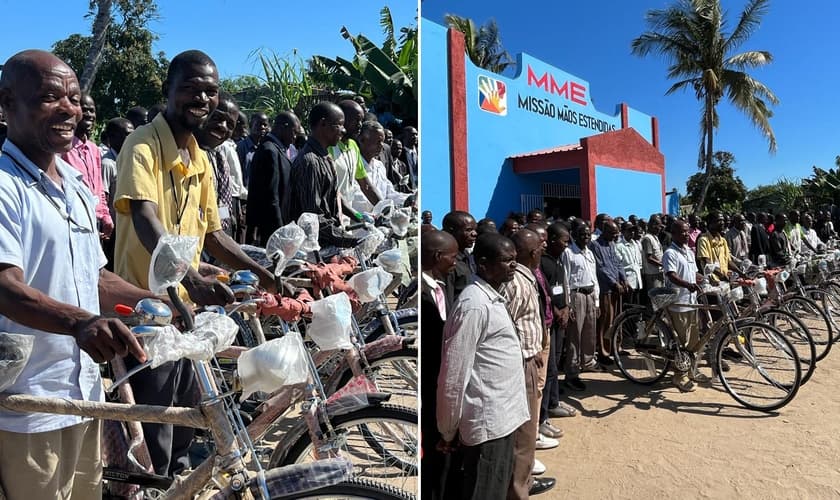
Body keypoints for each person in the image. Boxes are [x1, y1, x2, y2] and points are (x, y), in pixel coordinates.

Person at [0, 48, 157, 500]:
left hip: (83, 392)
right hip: (28, 403)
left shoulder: (75, 187)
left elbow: (98, 278)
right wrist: (79, 322)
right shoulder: (6, 186)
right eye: (50, 97)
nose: (69, 108)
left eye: (74, 96)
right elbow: (5, 286)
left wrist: (158, 300)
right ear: (7, 103)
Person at [113, 50, 276, 476]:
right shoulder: (142, 145)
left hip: (185, 309)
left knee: (189, 419)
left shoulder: (199, 158)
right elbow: (146, 219)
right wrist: (190, 274)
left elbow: (214, 235)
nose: (201, 99)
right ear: (167, 91)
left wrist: (267, 277)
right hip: (144, 311)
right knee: (157, 432)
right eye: (190, 88)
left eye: (210, 91)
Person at [437, 232, 530, 500]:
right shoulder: (474, 306)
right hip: (488, 425)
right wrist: (448, 430)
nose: (513, 265)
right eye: (506, 260)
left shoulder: (493, 297)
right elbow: (453, 376)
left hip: (503, 420)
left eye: (514, 260)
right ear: (484, 264)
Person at [288, 102, 359, 247]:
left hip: (327, 241)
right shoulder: (310, 162)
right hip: (311, 247)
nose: (343, 130)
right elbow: (312, 218)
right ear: (323, 124)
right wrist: (349, 240)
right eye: (339, 125)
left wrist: (359, 218)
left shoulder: (324, 157)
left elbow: (335, 198)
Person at [420, 230, 458, 500]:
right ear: (436, 256)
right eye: (452, 257)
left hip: (441, 380)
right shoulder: (423, 295)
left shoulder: (439, 285)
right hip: (431, 381)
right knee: (433, 451)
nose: (455, 263)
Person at [538, 222, 576, 433]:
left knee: (555, 366)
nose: (567, 245)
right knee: (549, 368)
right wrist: (557, 311)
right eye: (564, 241)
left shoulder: (559, 261)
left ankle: (554, 402)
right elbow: (545, 294)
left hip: (561, 317)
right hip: (551, 320)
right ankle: (543, 415)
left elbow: (563, 288)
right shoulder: (543, 263)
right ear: (553, 241)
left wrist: (567, 308)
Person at [60, 93, 113, 241]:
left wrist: (105, 216)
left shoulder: (94, 149)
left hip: (94, 221)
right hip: (73, 221)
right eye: (84, 110)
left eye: (92, 110)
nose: (89, 114)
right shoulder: (63, 149)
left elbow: (99, 187)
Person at [662, 220, 706, 391]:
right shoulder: (670, 253)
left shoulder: (688, 251)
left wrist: (703, 278)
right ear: (673, 234)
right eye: (682, 232)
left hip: (692, 302)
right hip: (678, 303)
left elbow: (694, 273)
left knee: (694, 341)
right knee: (681, 341)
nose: (686, 235)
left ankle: (692, 371)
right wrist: (687, 284)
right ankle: (679, 376)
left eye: (688, 232)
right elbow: (671, 275)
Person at [246, 111, 300, 245]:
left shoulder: (276, 149)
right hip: (270, 229)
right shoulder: (269, 151)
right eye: (294, 132)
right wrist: (280, 231)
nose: (295, 138)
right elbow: (271, 198)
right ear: (283, 127)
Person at [194, 92, 239, 236]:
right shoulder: (184, 153)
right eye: (217, 118)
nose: (223, 126)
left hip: (219, 239)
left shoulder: (219, 156)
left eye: (230, 124)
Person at [562, 223, 599, 391]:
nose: (585, 237)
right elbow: (565, 280)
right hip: (576, 296)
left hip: (590, 294)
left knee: (589, 332)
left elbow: (594, 278)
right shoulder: (568, 253)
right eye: (582, 234)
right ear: (574, 235)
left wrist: (597, 301)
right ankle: (572, 372)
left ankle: (588, 362)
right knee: (574, 335)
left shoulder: (589, 253)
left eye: (587, 235)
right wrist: (568, 305)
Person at [330, 99, 381, 214]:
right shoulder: (330, 147)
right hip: (332, 216)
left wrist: (385, 208)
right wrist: (358, 216)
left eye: (361, 120)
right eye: (356, 120)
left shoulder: (353, 146)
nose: (360, 125)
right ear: (342, 120)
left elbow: (365, 185)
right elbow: (331, 192)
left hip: (348, 216)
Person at [590, 220, 627, 364]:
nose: (615, 235)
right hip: (606, 288)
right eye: (613, 233)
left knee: (617, 319)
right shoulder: (595, 245)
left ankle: (615, 347)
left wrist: (624, 279)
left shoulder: (612, 244)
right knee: (605, 321)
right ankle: (603, 352)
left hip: (617, 288)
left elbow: (617, 263)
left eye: (617, 232)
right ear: (604, 231)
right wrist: (614, 282)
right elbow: (600, 268)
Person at [100, 117, 135, 269]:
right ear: (113, 137)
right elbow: (103, 197)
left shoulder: (127, 159)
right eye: (126, 134)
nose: (131, 138)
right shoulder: (107, 163)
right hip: (113, 231)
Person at [358, 120, 410, 206]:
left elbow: (389, 194)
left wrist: (409, 198)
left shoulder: (380, 166)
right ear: (362, 140)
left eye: (383, 141)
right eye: (378, 141)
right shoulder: (353, 164)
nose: (382, 145)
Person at [441, 210, 477, 299]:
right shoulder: (447, 263)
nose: (474, 234)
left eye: (475, 229)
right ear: (451, 231)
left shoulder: (466, 256)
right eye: (468, 230)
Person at [236, 111, 269, 187]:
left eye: (265, 125)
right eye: (259, 124)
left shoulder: (266, 148)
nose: (262, 127)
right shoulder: (241, 147)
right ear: (251, 125)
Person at [616, 222, 643, 305]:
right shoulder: (619, 246)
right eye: (629, 230)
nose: (632, 232)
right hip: (628, 283)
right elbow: (619, 265)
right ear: (623, 232)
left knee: (637, 306)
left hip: (637, 281)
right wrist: (625, 281)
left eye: (633, 230)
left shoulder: (635, 244)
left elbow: (639, 263)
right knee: (628, 307)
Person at [641, 215, 665, 290]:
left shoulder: (655, 237)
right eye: (659, 226)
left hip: (659, 272)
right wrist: (663, 264)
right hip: (652, 274)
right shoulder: (647, 238)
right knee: (655, 298)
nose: (660, 228)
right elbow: (649, 258)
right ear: (653, 225)